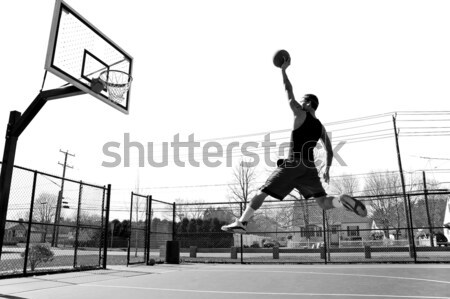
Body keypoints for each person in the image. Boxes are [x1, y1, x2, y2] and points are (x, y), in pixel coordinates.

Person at [222, 57, 367, 234]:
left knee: (263, 191)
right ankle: (340, 200)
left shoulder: (300, 113)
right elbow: (329, 150)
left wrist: (283, 70)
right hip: (309, 167)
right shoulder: (320, 127)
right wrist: (327, 170)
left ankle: (242, 222)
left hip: (293, 164)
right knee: (322, 202)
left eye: (301, 101)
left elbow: (288, 91)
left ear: (307, 103)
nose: (298, 102)